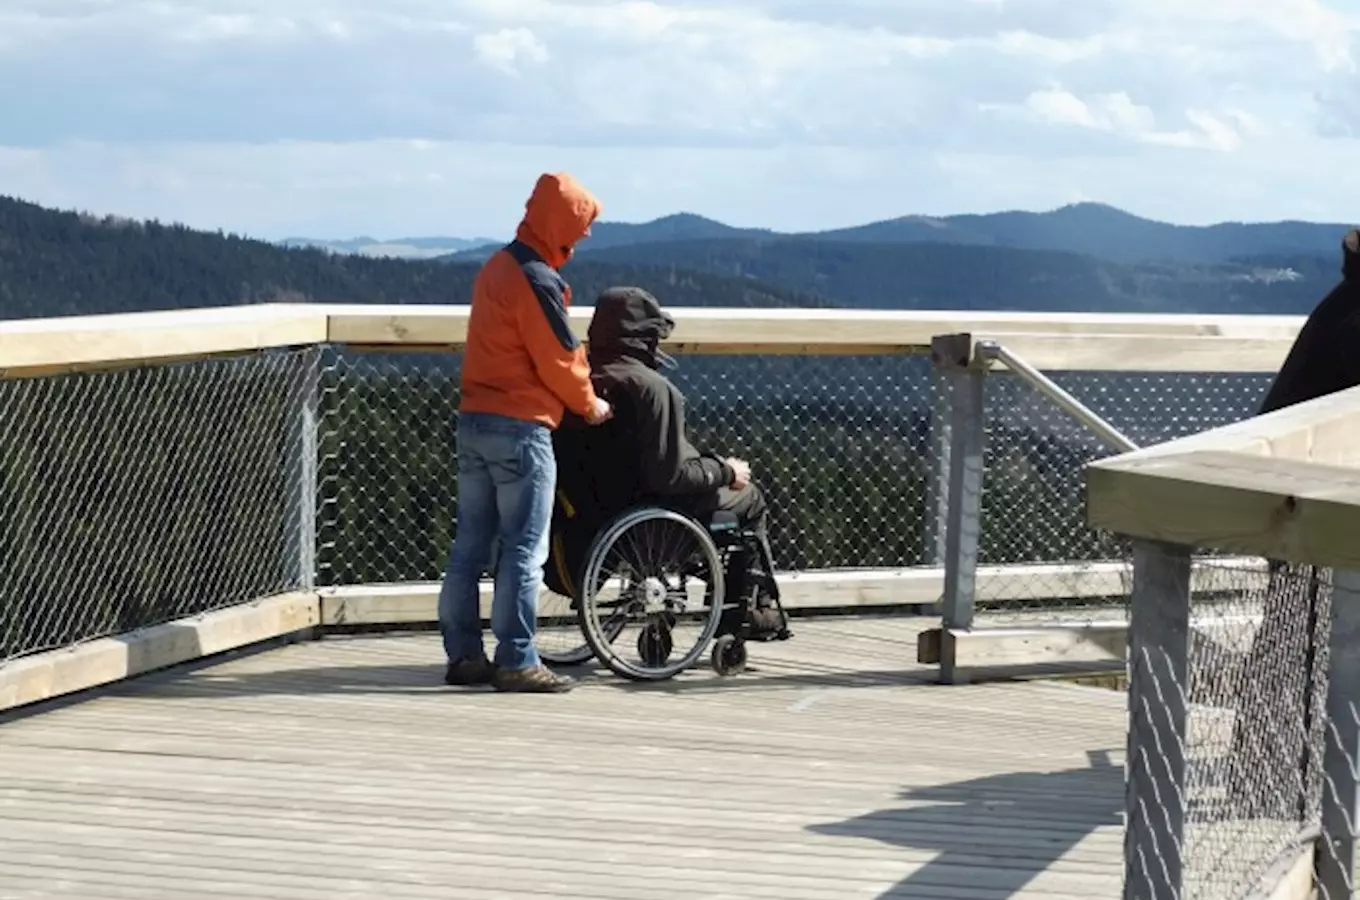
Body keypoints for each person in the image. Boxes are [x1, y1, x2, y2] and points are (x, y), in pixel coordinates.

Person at [438, 172, 613, 693]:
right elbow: (560, 358)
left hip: (474, 421)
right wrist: (590, 404)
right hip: (521, 430)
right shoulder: (538, 279)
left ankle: (464, 656)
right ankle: (516, 658)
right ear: (561, 223)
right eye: (579, 228)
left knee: (469, 547)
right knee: (522, 549)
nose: (581, 239)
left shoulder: (497, 267)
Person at [552, 285, 786, 635]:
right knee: (750, 500)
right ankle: (746, 612)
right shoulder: (653, 390)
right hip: (653, 521)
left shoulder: (576, 381)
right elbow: (669, 476)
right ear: (645, 337)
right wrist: (724, 470)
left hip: (590, 519)